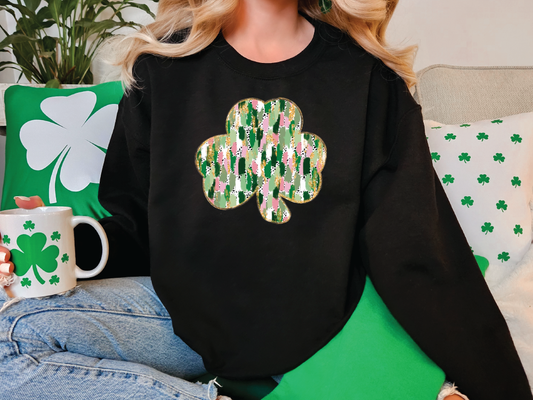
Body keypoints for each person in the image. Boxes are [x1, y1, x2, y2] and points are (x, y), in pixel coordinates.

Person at [0, 0, 531, 399]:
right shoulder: (161, 68)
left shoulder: (368, 80)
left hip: (308, 329)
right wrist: (63, 244)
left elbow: (419, 256)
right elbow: (136, 225)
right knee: (9, 336)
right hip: (183, 322)